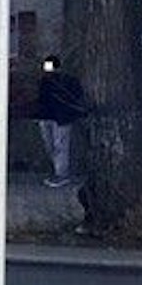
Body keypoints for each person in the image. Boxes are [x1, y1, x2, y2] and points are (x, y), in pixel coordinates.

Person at [35, 57, 89, 187]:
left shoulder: (68, 81)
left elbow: (74, 96)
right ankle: (58, 170)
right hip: (48, 116)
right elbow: (42, 99)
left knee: (60, 145)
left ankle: (61, 174)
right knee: (51, 145)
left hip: (61, 117)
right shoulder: (45, 81)